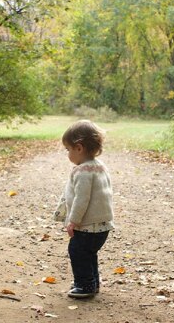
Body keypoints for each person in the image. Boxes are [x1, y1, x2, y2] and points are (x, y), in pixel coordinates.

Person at [53, 120, 114, 299]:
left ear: (78, 148)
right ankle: (92, 282)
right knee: (89, 253)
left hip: (87, 226)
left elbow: (82, 199)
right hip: (102, 225)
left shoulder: (83, 172)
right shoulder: (100, 166)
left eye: (68, 149)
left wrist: (73, 221)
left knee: (78, 252)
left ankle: (85, 285)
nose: (68, 153)